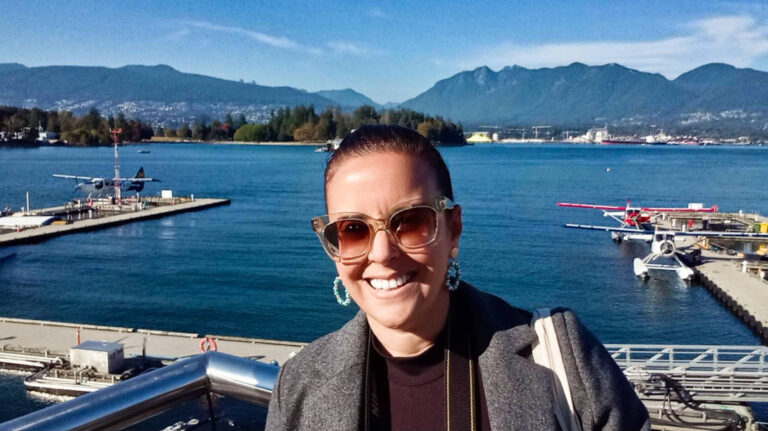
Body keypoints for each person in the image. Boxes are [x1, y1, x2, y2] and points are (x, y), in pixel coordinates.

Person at [266, 124, 650, 431]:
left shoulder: (563, 356)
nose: (382, 253)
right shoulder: (298, 386)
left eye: (411, 222)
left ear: (453, 229)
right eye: (352, 229)